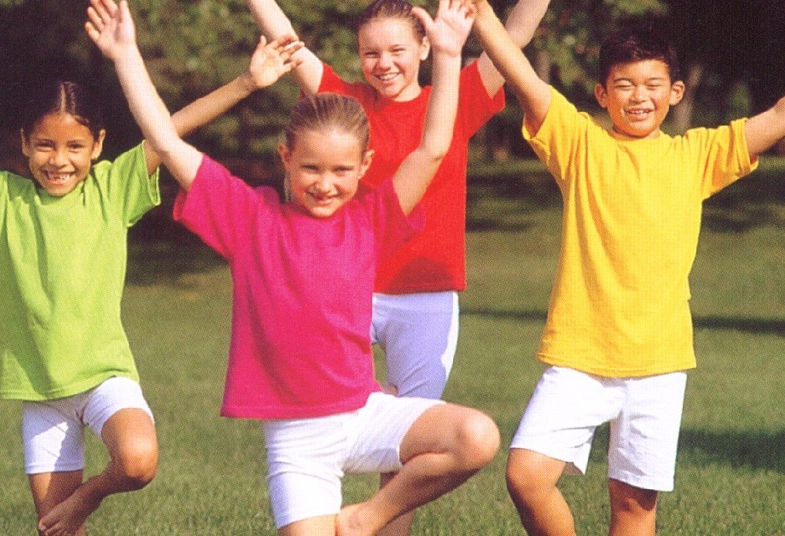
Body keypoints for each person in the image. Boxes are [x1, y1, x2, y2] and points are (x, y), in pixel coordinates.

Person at [0, 21, 305, 536]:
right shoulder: (3, 197)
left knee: (138, 461)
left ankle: (86, 499)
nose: (59, 160)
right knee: (57, 533)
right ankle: (72, 516)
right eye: (45, 145)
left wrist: (247, 83)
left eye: (74, 146)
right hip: (41, 393)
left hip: (103, 378)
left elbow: (171, 129)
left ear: (96, 145)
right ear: (25, 143)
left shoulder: (114, 189)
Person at [467, 1, 785, 535]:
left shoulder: (696, 155)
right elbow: (523, 77)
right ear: (601, 94)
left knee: (635, 510)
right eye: (623, 85)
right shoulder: (580, 145)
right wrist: (481, 17)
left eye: (652, 84)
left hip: (658, 364)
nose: (639, 96)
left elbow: (780, 116)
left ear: (675, 93)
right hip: (579, 356)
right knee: (526, 476)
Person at [87, 0, 500, 534]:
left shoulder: (372, 220)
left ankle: (362, 521)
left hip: (363, 416)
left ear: (364, 168)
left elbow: (434, 147)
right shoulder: (249, 217)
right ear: (285, 158)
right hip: (296, 439)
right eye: (310, 168)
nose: (325, 184)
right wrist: (125, 54)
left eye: (341, 171)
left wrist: (447, 56)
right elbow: (165, 141)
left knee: (477, 436)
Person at [246, 2, 547, 532]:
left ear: (427, 48)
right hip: (348, 294)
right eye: (370, 53)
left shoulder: (457, 97)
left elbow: (514, 35)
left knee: (407, 456)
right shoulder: (346, 104)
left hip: (425, 298)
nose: (383, 63)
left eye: (396, 51)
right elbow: (286, 41)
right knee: (321, 424)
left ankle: (365, 523)